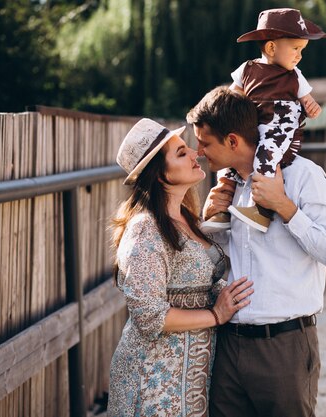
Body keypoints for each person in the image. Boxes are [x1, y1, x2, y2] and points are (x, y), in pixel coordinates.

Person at [186, 87, 326, 417]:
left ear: (233, 141)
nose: (199, 152)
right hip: (228, 345)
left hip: (284, 348)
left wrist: (284, 207)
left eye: (205, 142)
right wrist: (208, 224)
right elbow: (217, 263)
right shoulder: (226, 187)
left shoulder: (304, 176)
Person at [107, 118, 254, 417]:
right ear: (160, 175)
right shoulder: (145, 229)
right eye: (181, 153)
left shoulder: (190, 220)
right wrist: (216, 315)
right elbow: (149, 317)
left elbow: (204, 276)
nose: (195, 154)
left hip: (194, 376)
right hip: (152, 378)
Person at [201, 8, 326, 233]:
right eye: (296, 48)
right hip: (254, 124)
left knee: (264, 159)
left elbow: (307, 101)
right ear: (271, 47)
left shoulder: (295, 76)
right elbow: (231, 98)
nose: (299, 56)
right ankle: (221, 209)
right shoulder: (247, 69)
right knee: (229, 167)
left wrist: (311, 107)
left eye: (302, 50)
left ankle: (262, 211)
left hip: (280, 125)